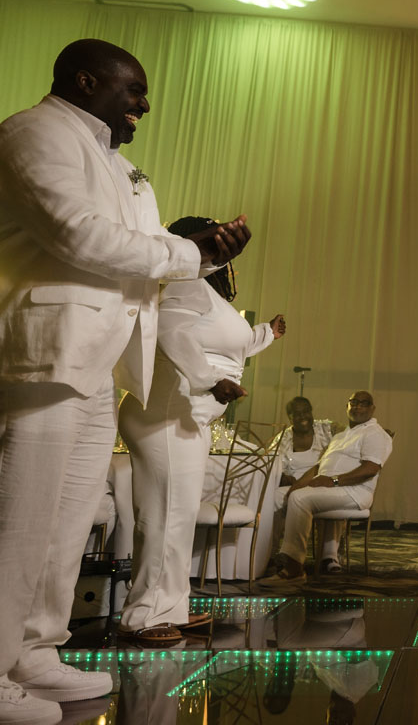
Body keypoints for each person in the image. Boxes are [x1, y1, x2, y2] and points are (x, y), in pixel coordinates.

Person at [0, 39, 250, 725]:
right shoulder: (32, 133)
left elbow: (151, 256)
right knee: (20, 518)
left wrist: (207, 256)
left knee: (65, 520)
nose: (143, 103)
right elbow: (76, 235)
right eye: (133, 89)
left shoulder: (118, 163)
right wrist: (188, 252)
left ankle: (34, 652)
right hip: (46, 353)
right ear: (86, 81)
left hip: (101, 364)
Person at [117, 215, 284, 643]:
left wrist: (267, 333)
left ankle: (170, 605)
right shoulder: (185, 282)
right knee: (164, 514)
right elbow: (172, 332)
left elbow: (231, 343)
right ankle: (144, 614)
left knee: (178, 514)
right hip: (168, 411)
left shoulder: (206, 291)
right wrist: (209, 379)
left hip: (187, 415)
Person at [262, 391, 393, 586]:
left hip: (354, 492)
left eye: (364, 403)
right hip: (332, 487)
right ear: (347, 407)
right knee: (276, 496)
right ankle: (266, 557)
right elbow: (317, 468)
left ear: (372, 409)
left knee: (299, 498)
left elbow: (370, 469)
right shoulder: (341, 436)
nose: (358, 406)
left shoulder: (374, 433)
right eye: (354, 402)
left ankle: (294, 568)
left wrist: (333, 481)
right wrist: (295, 486)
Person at [270, 396, 344, 571]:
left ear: (311, 412)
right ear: (290, 418)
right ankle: (273, 553)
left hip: (323, 482)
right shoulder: (284, 438)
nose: (303, 416)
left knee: (333, 496)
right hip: (294, 486)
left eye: (306, 412)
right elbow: (272, 464)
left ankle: (329, 557)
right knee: (273, 498)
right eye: (297, 414)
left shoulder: (327, 429)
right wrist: (283, 476)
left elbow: (348, 435)